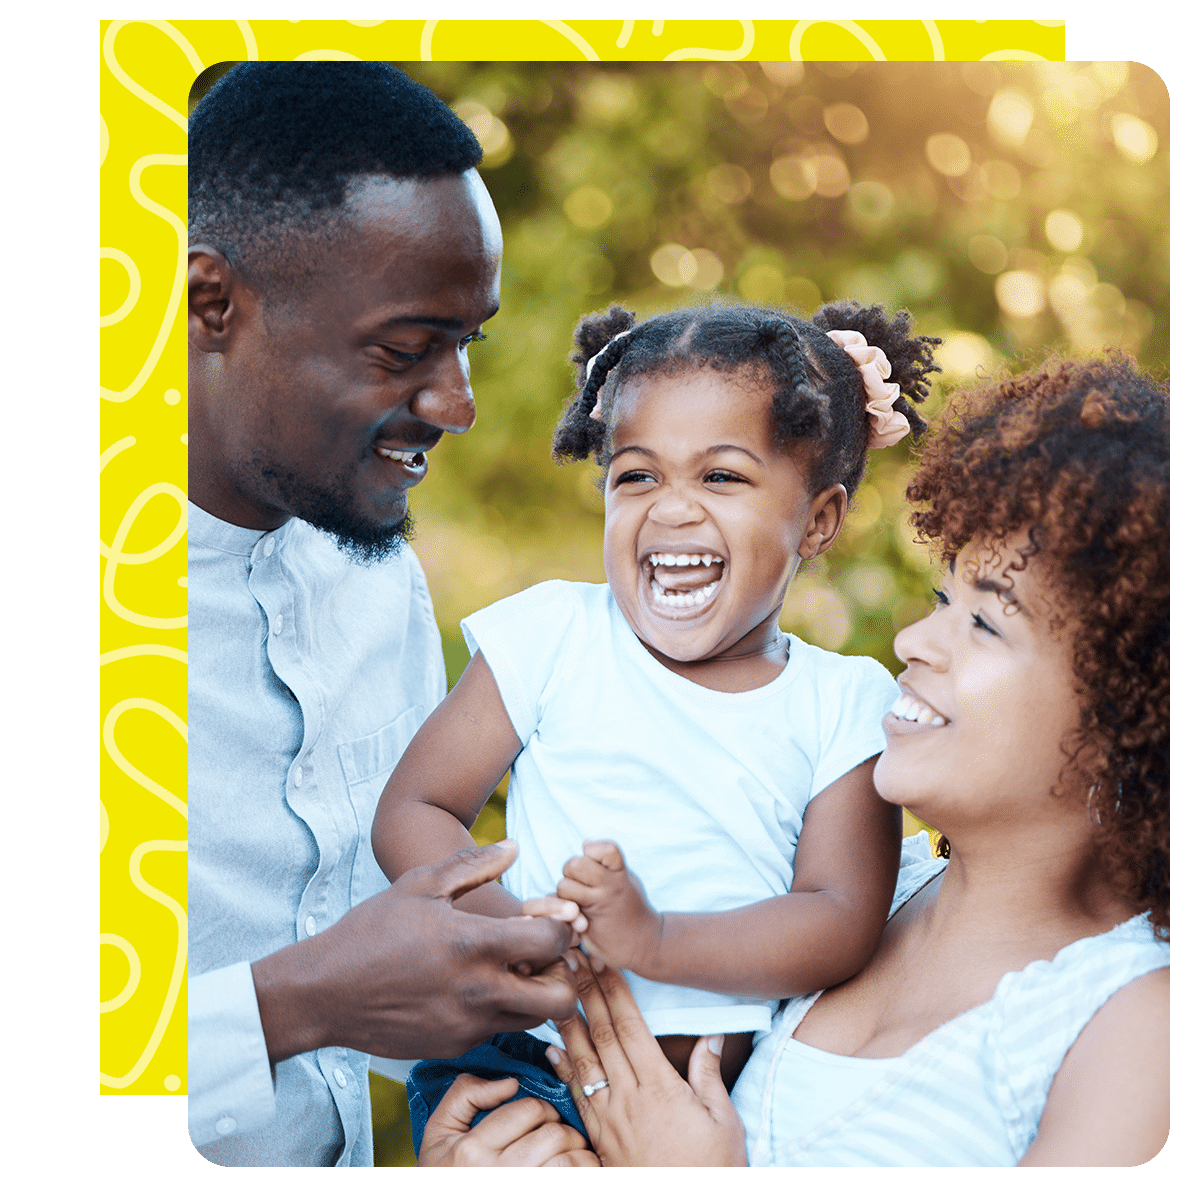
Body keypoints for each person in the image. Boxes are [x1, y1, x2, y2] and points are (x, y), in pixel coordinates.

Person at [528, 353, 1170, 1167]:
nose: (913, 643)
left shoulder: (1136, 1023)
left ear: (1135, 713)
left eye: (987, 624)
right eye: (945, 600)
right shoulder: (843, 900)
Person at [370, 300, 942, 1152]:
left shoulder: (843, 702)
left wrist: (655, 939)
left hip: (725, 1102)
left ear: (818, 520)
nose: (670, 510)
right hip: (527, 1068)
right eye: (636, 475)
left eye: (721, 477)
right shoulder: (551, 638)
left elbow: (840, 918)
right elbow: (414, 810)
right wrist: (514, 927)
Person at [186, 61, 586, 1168]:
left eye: (471, 343)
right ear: (212, 302)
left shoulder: (372, 577)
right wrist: (291, 1004)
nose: (456, 404)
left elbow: (393, 983)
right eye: (406, 351)